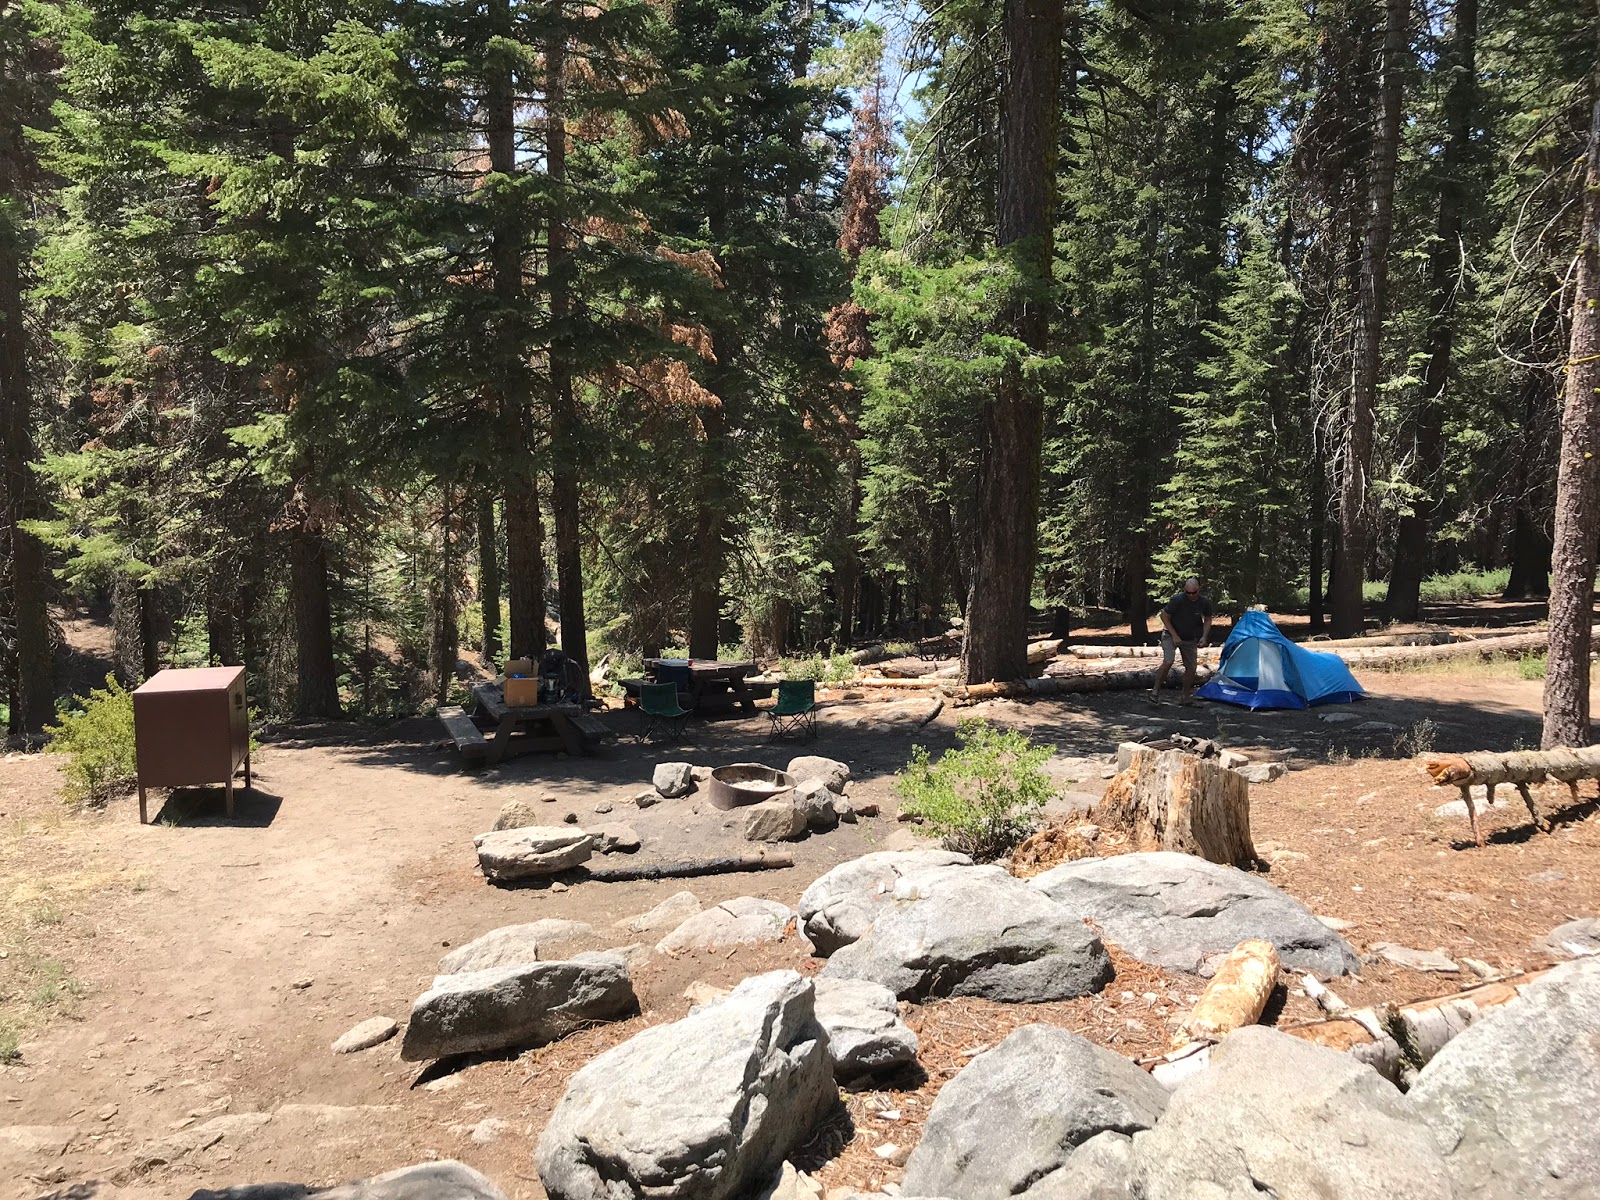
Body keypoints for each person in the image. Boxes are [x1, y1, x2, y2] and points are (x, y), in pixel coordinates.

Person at [1151, 576, 1213, 704]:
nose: (1191, 595)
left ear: (1198, 589)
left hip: (1190, 637)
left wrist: (1204, 636)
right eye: (1188, 593)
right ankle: (1155, 692)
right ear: (1185, 589)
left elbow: (1207, 619)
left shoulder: (1204, 602)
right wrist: (1174, 635)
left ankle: (1185, 697)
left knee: (1191, 668)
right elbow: (1164, 616)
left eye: (1194, 592)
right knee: (1168, 661)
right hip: (1170, 634)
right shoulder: (1177, 600)